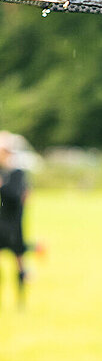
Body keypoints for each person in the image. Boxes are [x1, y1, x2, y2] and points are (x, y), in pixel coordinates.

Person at [0, 131, 29, 308]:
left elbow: (17, 196)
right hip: (0, 222)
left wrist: (2, 186)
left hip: (15, 223)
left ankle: (20, 301)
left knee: (19, 262)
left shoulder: (17, 173)